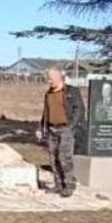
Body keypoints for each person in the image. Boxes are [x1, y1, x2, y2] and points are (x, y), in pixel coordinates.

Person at [37, 68, 83, 197]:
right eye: (48, 78)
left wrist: (72, 126)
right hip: (51, 129)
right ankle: (58, 185)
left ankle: (69, 185)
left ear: (59, 77)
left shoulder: (71, 92)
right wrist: (42, 128)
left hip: (65, 129)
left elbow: (78, 110)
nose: (49, 80)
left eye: (51, 78)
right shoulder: (48, 94)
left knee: (65, 157)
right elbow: (45, 112)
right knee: (53, 158)